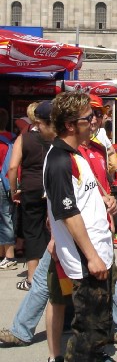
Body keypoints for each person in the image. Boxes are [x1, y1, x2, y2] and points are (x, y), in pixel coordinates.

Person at [43, 91, 114, 362]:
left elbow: (80, 198)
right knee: (87, 333)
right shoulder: (60, 159)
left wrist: (104, 200)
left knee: (98, 327)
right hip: (86, 261)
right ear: (71, 125)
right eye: (88, 118)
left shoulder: (76, 155)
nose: (94, 122)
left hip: (97, 255)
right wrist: (92, 256)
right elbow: (67, 213)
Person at [8, 100, 56, 289]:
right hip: (52, 187)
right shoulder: (54, 138)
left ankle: (32, 277)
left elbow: (13, 167)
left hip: (30, 188)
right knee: (53, 231)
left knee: (32, 231)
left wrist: (14, 190)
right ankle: (53, 275)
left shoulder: (24, 139)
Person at [0, 108, 17, 271]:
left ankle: (9, 256)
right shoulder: (13, 139)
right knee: (8, 216)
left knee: (4, 218)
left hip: (1, 182)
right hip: (10, 182)